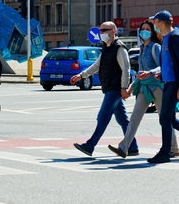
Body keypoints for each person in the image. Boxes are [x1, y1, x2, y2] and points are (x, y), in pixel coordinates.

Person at [108, 20, 179, 158]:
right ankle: (124, 147)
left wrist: (151, 73)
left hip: (158, 87)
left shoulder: (155, 47)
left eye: (147, 29)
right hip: (144, 88)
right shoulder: (142, 49)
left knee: (165, 118)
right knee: (134, 117)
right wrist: (130, 87)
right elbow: (141, 72)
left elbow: (162, 67)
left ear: (152, 32)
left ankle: (174, 147)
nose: (144, 31)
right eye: (142, 29)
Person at [70, 21, 139, 156]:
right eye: (100, 31)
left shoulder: (119, 48)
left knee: (102, 117)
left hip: (115, 88)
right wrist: (81, 75)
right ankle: (133, 146)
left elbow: (126, 69)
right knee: (122, 119)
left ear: (114, 31)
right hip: (109, 87)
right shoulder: (107, 48)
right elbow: (97, 65)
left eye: (105, 30)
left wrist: (124, 87)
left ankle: (90, 146)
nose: (101, 33)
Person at [144, 10, 179, 163]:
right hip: (168, 82)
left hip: (174, 84)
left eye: (155, 22)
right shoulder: (166, 39)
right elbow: (168, 64)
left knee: (164, 118)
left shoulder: (174, 39)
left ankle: (165, 153)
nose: (153, 25)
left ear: (161, 22)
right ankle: (165, 152)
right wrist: (160, 74)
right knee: (170, 119)